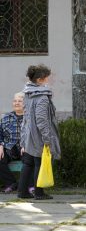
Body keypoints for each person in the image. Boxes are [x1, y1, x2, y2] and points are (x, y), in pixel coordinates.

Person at [18, 64, 61, 199]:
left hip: (29, 134)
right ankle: (39, 193)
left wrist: (24, 138)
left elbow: (26, 117)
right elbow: (41, 121)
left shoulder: (28, 94)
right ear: (40, 80)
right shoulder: (42, 97)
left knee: (28, 163)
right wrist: (47, 139)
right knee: (39, 163)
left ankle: (22, 192)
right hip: (38, 136)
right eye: (47, 78)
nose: (48, 80)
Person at [0, 92, 34, 194]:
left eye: (20, 101)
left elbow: (35, 134)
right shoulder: (6, 117)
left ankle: (31, 186)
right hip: (10, 148)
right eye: (15, 101)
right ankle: (11, 184)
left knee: (31, 159)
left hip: (26, 148)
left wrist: (28, 144)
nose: (17, 103)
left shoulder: (31, 118)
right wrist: (0, 145)